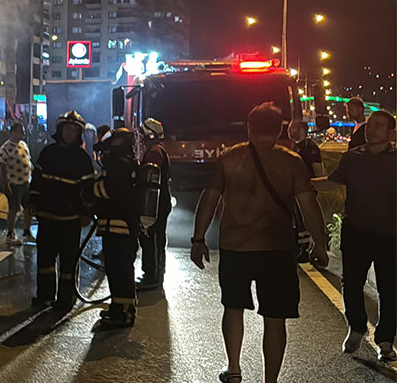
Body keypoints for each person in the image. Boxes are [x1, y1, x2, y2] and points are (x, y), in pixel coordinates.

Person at [190, 102, 329, 383]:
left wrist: (198, 238)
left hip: (236, 247)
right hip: (276, 249)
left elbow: (209, 198)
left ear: (249, 127)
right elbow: (308, 205)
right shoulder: (291, 162)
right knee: (275, 318)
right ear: (280, 130)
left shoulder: (230, 158)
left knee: (233, 308)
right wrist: (320, 243)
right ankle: (271, 380)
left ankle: (234, 368)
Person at [311, 110, 397, 361]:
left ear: (391, 132)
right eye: (370, 126)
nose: (372, 130)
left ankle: (384, 340)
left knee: (389, 289)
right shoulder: (353, 158)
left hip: (390, 234)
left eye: (379, 126)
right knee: (351, 283)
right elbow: (333, 182)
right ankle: (357, 326)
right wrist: (303, 183)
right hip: (356, 231)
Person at [28, 110, 96, 310]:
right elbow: (37, 182)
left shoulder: (82, 158)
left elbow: (88, 190)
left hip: (70, 219)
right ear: (60, 130)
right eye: (67, 129)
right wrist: (33, 202)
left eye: (74, 130)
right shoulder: (48, 153)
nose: (70, 133)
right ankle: (45, 296)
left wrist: (86, 213)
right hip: (48, 217)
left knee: (68, 262)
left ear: (79, 134)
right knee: (45, 261)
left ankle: (66, 299)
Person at [89, 128, 143, 330]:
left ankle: (124, 314)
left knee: (119, 270)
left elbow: (109, 190)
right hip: (122, 227)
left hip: (118, 228)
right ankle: (119, 308)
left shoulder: (119, 164)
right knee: (120, 271)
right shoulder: (128, 163)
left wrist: (91, 189)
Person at [138, 118, 172, 291]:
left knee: (154, 241)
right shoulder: (156, 150)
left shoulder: (154, 152)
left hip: (155, 205)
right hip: (157, 203)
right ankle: (150, 274)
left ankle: (153, 278)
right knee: (150, 240)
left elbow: (150, 180)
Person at [0, 123, 34, 247]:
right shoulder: (5, 149)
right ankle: (10, 234)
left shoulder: (23, 145)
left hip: (25, 182)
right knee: (13, 209)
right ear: (13, 132)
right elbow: (2, 168)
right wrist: (5, 184)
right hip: (14, 184)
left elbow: (28, 161)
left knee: (29, 208)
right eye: (20, 131)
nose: (23, 133)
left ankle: (27, 232)